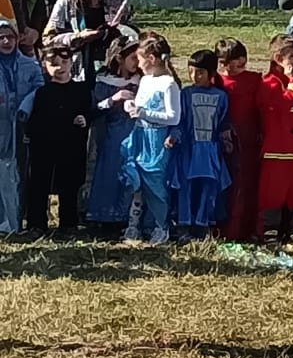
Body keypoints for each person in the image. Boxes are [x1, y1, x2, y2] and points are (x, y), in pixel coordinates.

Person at [23, 40, 91, 236]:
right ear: (44, 65)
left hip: (71, 145)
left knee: (69, 185)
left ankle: (68, 223)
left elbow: (88, 111)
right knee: (39, 184)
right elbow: (34, 118)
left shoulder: (81, 90)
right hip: (44, 145)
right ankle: (36, 223)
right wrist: (32, 136)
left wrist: (84, 118)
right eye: (53, 64)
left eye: (64, 62)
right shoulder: (42, 92)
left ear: (72, 63)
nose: (59, 67)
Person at [121, 35, 181, 245]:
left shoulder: (169, 84)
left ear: (152, 59)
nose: (138, 64)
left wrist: (145, 113)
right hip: (139, 135)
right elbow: (139, 105)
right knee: (135, 178)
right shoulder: (146, 80)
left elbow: (174, 116)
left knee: (155, 183)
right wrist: (130, 107)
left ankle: (160, 226)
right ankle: (133, 224)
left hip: (156, 139)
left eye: (140, 59)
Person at [45, 0, 134, 86]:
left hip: (110, 72)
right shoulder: (68, 0)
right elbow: (48, 39)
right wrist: (78, 37)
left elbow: (131, 33)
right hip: (77, 70)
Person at [259, 37, 293, 244]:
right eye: (292, 56)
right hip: (278, 151)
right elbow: (282, 107)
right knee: (274, 193)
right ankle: (270, 230)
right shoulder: (269, 83)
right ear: (278, 58)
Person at [171, 49, 232, 236]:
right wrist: (175, 136)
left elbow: (222, 121)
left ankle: (203, 223)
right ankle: (184, 224)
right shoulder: (185, 94)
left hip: (210, 150)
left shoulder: (221, 96)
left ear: (211, 74)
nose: (194, 76)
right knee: (186, 186)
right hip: (189, 149)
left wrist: (226, 140)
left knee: (208, 186)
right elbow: (179, 121)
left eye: (199, 72)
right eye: (191, 71)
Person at [87, 35, 141, 233]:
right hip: (111, 137)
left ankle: (128, 217)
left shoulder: (140, 81)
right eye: (133, 57)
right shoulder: (104, 82)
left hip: (134, 135)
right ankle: (103, 216)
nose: (137, 62)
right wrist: (113, 99)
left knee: (130, 174)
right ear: (120, 58)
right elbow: (94, 109)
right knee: (109, 173)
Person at [0, 18, 43, 235]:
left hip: (21, 126)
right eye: (1, 38)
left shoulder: (29, 64)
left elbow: (39, 88)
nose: (6, 41)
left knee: (17, 172)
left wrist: (26, 105)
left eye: (11, 37)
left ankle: (15, 220)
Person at [217, 39, 263, 243]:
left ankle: (248, 227)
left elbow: (262, 108)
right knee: (228, 184)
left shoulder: (254, 80)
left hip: (249, 139)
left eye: (242, 59)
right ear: (223, 62)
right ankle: (226, 229)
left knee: (247, 183)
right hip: (225, 139)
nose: (241, 63)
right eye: (235, 61)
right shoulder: (217, 82)